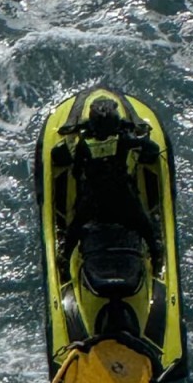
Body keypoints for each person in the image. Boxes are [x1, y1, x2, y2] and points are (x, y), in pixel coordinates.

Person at [56, 98, 162, 265]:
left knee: (75, 227)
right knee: (144, 224)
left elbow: (76, 171)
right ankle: (156, 256)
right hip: (122, 196)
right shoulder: (123, 140)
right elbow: (150, 147)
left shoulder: (84, 145)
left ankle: (65, 259)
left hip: (95, 199)